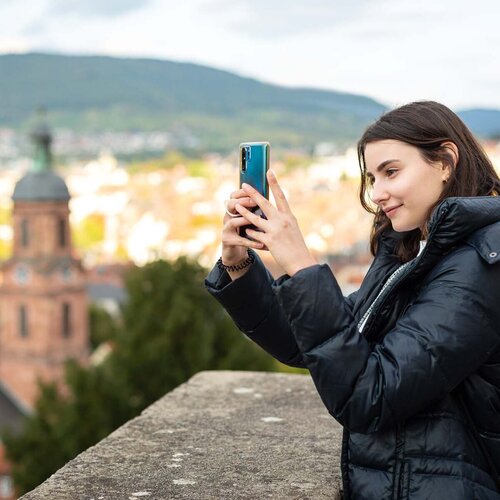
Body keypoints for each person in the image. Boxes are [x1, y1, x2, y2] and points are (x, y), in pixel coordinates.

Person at [204, 101, 500, 499]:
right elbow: (318, 345)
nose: (378, 193)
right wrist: (237, 265)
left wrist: (302, 266)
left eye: (391, 172)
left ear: (445, 161)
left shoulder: (482, 263)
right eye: (372, 178)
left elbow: (369, 394)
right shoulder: (412, 250)